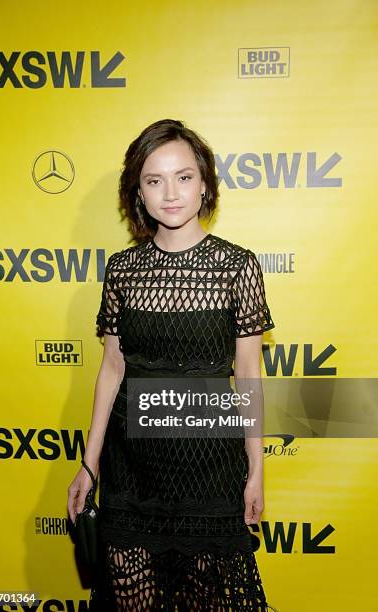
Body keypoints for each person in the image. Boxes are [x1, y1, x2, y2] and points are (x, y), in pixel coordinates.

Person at [67, 118, 275, 611]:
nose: (171, 193)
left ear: (205, 185)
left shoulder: (236, 267)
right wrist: (89, 465)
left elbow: (247, 374)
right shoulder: (124, 270)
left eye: (184, 177)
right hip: (132, 468)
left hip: (209, 467)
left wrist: (256, 467)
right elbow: (112, 370)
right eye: (154, 180)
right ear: (138, 193)